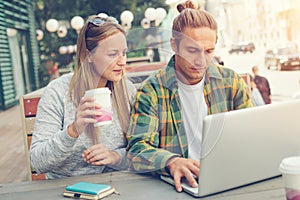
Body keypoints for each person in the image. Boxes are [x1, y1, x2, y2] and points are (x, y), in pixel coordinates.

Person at [126, 0, 254, 193]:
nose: (201, 61)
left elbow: (252, 133)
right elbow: (136, 151)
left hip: (229, 179)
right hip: (179, 188)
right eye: (192, 50)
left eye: (209, 51)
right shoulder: (151, 90)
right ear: (174, 45)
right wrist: (171, 161)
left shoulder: (231, 81)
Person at [30, 14, 136, 179]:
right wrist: (73, 130)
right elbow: (37, 162)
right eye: (113, 54)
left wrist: (115, 157)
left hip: (118, 185)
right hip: (67, 188)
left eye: (124, 53)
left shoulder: (127, 91)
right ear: (89, 55)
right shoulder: (58, 92)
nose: (122, 61)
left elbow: (142, 150)